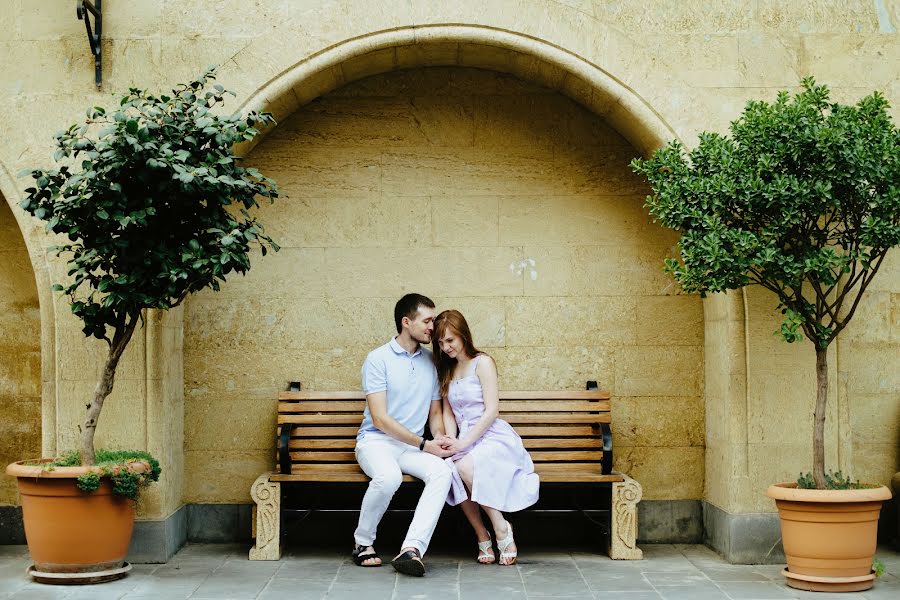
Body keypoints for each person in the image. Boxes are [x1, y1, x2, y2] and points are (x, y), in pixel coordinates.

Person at [353, 293, 454, 577]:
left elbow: (435, 414)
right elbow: (380, 419)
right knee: (389, 478)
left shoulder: (431, 361)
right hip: (376, 441)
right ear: (406, 322)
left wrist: (438, 439)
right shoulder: (377, 359)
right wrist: (423, 443)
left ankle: (412, 549)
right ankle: (362, 543)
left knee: (442, 473)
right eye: (427, 320)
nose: (432, 327)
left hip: (411, 447)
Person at [432, 310, 539, 566]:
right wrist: (450, 439)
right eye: (440, 342)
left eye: (450, 340)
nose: (446, 347)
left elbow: (492, 410)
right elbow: (449, 412)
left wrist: (464, 443)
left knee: (466, 465)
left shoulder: (483, 362)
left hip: (490, 435)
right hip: (462, 437)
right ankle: (482, 535)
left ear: (463, 336)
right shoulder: (447, 369)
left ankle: (500, 527)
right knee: (452, 470)